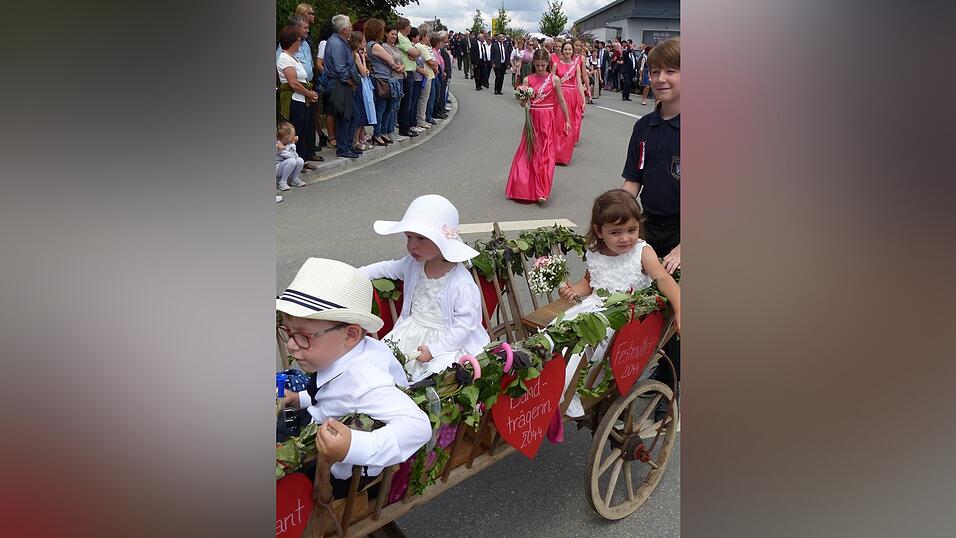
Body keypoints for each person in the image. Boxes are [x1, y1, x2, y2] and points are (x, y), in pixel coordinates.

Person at [277, 257, 432, 498]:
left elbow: (418, 426)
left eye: (303, 336)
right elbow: (330, 392)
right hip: (319, 423)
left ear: (350, 334)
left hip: (337, 470)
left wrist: (354, 446)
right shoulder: (342, 353)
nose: (291, 346)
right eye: (287, 332)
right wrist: (300, 398)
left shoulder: (365, 381)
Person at [556, 189, 681, 418]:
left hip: (624, 314)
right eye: (616, 232)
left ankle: (567, 389)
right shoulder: (595, 252)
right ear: (599, 231)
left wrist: (681, 308)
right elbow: (589, 282)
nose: (625, 238)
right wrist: (573, 290)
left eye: (631, 230)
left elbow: (663, 278)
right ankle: (549, 382)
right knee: (560, 332)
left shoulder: (642, 252)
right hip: (594, 306)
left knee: (587, 345)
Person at [359, 194, 490, 383]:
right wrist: (358, 274)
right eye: (409, 237)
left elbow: (464, 326)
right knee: (383, 362)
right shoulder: (412, 265)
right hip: (411, 332)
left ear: (442, 241)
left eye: (421, 238)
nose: (412, 245)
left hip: (448, 342)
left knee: (434, 376)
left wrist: (435, 350)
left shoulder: (462, 284)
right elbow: (387, 267)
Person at [620, 38, 681, 420]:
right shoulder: (645, 126)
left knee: (678, 307)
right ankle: (648, 362)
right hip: (650, 226)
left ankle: (671, 382)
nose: (660, 78)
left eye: (670, 71)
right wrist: (611, 223)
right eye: (655, 71)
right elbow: (631, 183)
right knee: (642, 301)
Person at [505, 49, 571, 204]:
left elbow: (561, 101)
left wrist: (567, 119)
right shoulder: (528, 80)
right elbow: (523, 104)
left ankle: (542, 192)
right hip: (533, 119)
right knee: (529, 152)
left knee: (546, 155)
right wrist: (523, 99)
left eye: (543, 65)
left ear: (548, 63)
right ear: (533, 64)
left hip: (548, 120)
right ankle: (523, 188)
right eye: (537, 65)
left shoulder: (554, 79)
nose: (540, 68)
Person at [277, 27, 322, 172]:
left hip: (302, 98)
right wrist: (309, 94)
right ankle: (293, 161)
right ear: (292, 42)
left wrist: (309, 92)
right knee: (295, 130)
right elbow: (293, 83)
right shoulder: (284, 58)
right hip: (294, 99)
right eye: (298, 40)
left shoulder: (293, 57)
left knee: (303, 130)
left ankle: (301, 159)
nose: (300, 43)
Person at [324, 15, 361, 159]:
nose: (352, 28)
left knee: (351, 115)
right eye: (350, 26)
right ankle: (343, 148)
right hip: (340, 84)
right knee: (345, 116)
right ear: (345, 29)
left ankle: (347, 145)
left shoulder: (340, 41)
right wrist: (351, 82)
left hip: (342, 83)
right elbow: (341, 68)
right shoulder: (337, 44)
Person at [366, 19, 403, 146]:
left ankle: (382, 132)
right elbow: (390, 59)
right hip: (382, 79)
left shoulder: (370, 44)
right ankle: (378, 133)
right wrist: (392, 61)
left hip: (383, 77)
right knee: (382, 107)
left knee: (387, 106)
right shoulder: (375, 45)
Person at [554, 42, 585, 166]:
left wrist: (583, 99)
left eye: (569, 49)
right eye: (565, 49)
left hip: (571, 97)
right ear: (562, 51)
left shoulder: (576, 66)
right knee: (557, 124)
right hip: (559, 97)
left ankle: (564, 155)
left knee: (568, 125)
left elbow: (578, 83)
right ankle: (555, 153)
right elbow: (551, 82)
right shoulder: (556, 65)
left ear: (572, 51)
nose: (567, 51)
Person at [395, 18, 422, 139]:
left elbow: (415, 53)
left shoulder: (405, 38)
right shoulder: (400, 37)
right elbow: (415, 53)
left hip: (410, 71)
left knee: (409, 101)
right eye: (409, 25)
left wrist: (414, 54)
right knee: (405, 102)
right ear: (405, 27)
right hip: (405, 73)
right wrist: (414, 54)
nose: (410, 28)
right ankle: (404, 127)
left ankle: (406, 125)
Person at [350, 31, 373, 152]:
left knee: (362, 112)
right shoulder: (357, 55)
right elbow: (363, 72)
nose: (365, 43)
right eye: (363, 41)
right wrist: (364, 60)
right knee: (360, 113)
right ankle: (356, 141)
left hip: (362, 84)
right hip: (359, 86)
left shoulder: (358, 53)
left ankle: (361, 137)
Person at [276, 121, 306, 191]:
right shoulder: (279, 145)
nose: (295, 136)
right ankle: (283, 181)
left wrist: (292, 144)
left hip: (284, 165)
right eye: (293, 135)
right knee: (292, 161)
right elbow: (291, 157)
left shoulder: (288, 143)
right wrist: (293, 143)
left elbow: (296, 155)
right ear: (287, 137)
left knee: (300, 160)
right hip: (276, 168)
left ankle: (294, 179)